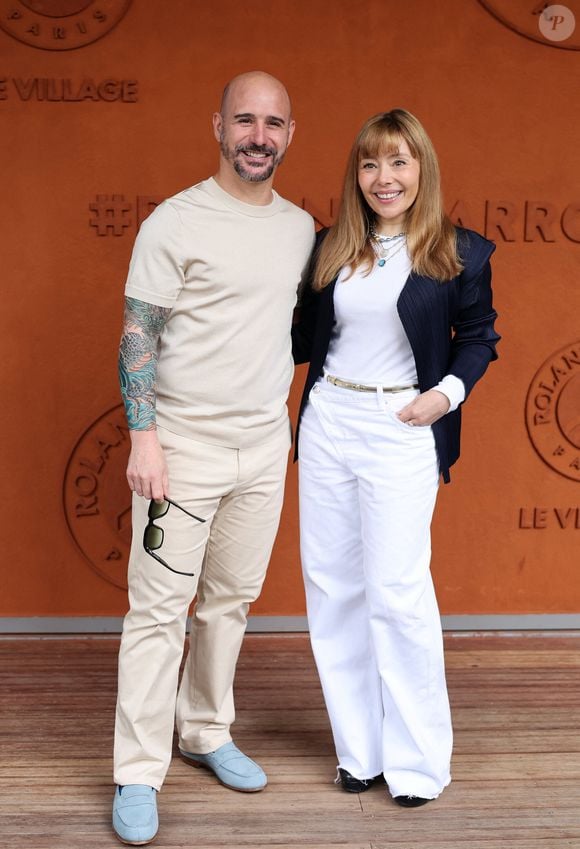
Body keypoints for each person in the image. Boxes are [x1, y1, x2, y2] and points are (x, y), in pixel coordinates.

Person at [113, 71, 315, 845]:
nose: (258, 136)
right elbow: (139, 332)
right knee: (158, 611)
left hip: (263, 447)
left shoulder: (299, 229)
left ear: (290, 134)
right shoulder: (175, 221)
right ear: (218, 127)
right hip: (182, 450)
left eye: (273, 122)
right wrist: (145, 439)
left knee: (230, 601)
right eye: (244, 120)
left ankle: (203, 729)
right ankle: (137, 769)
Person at [292, 109, 500, 808]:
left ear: (422, 170)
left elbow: (480, 337)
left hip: (401, 424)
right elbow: (300, 338)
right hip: (329, 419)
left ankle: (417, 764)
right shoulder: (330, 247)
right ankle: (360, 751)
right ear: (356, 174)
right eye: (370, 163)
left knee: (397, 591)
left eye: (399, 162)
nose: (384, 177)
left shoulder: (459, 251)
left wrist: (443, 396)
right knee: (332, 587)